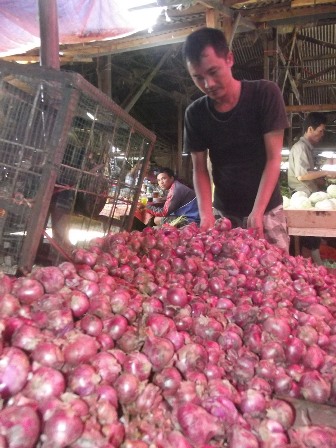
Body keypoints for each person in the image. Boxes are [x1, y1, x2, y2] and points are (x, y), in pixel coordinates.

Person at [182, 27, 290, 252]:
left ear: (229, 59)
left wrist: (258, 211)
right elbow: (200, 169)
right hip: (225, 214)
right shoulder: (195, 114)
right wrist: (206, 215)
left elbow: (273, 159)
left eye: (213, 71)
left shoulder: (265, 94)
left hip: (267, 210)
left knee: (278, 278)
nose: (208, 84)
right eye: (198, 77)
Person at [288, 112, 336, 263]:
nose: (322, 135)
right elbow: (302, 175)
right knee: (308, 239)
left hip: (308, 197)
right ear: (310, 129)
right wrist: (326, 172)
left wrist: (319, 179)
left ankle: (314, 266)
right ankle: (312, 266)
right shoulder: (300, 147)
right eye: (320, 131)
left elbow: (308, 173)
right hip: (300, 197)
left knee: (312, 238)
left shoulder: (307, 149)